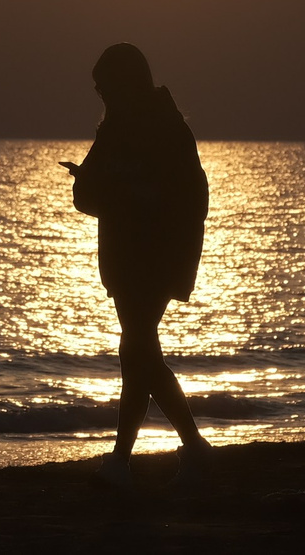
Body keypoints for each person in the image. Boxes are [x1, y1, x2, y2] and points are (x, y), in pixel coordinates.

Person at [64, 43, 215, 490]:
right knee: (138, 353)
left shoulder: (165, 129)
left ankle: (129, 460)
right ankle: (168, 453)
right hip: (127, 259)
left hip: (157, 257)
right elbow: (89, 197)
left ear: (125, 83)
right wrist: (92, 185)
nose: (101, 96)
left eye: (105, 87)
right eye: (98, 89)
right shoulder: (116, 129)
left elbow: (184, 199)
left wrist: (113, 193)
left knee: (137, 352)